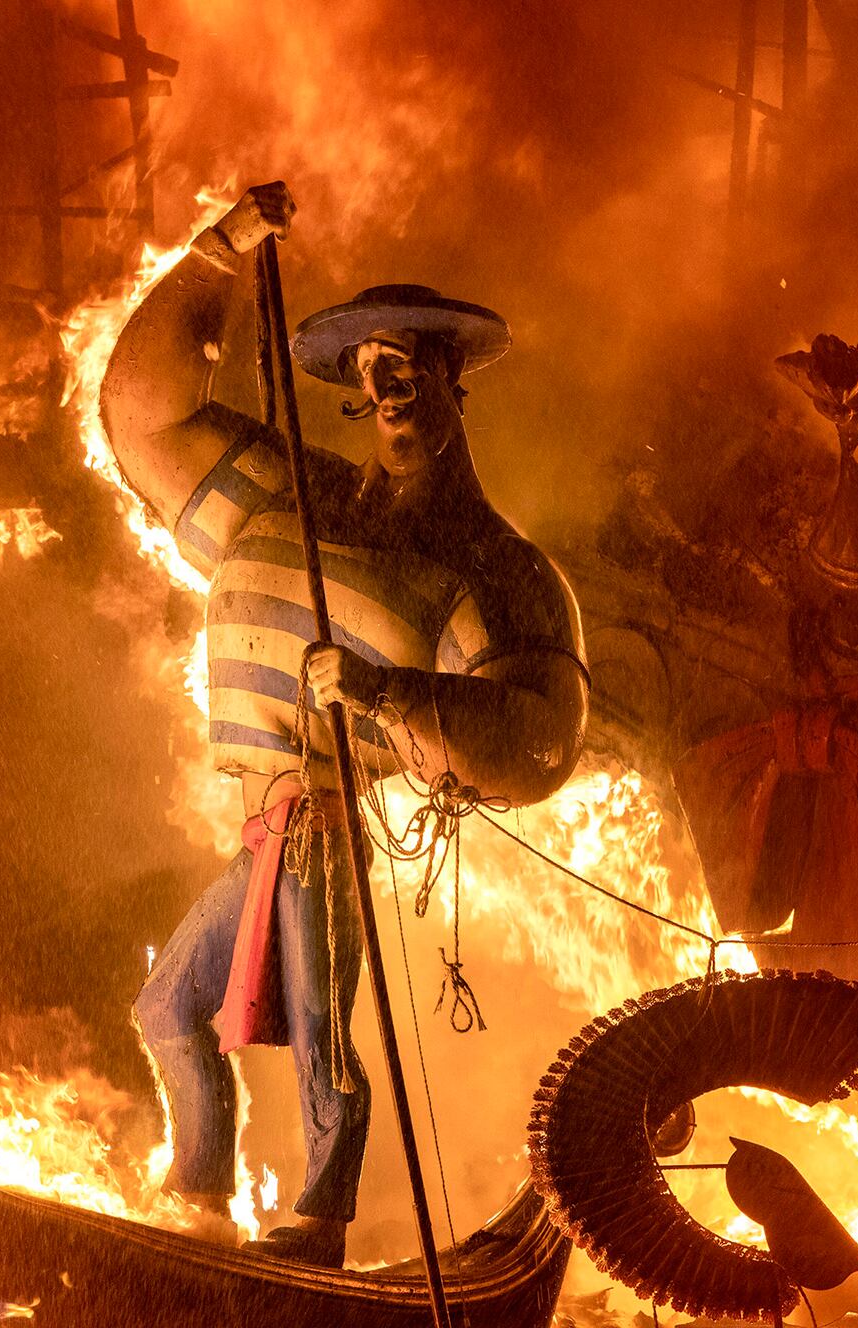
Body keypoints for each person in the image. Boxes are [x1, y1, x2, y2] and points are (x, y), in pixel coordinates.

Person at [102, 182, 589, 1268]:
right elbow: (141, 415)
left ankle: (320, 1218)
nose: (389, 382)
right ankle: (199, 1197)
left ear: (450, 375)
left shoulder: (489, 573)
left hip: (323, 836)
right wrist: (224, 253)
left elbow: (536, 738)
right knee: (166, 1006)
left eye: (408, 360)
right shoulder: (287, 502)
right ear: (354, 396)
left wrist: (378, 696)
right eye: (369, 372)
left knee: (325, 1038)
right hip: (260, 833)